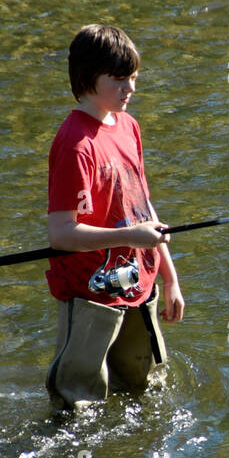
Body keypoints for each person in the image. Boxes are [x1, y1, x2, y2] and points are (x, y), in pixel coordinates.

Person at [44, 24, 186, 413]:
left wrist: (170, 278)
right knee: (78, 405)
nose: (131, 89)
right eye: (120, 79)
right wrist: (129, 236)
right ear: (89, 78)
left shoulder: (128, 127)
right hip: (90, 293)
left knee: (141, 389)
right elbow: (61, 233)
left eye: (134, 78)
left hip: (140, 285)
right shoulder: (76, 144)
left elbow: (144, 211)